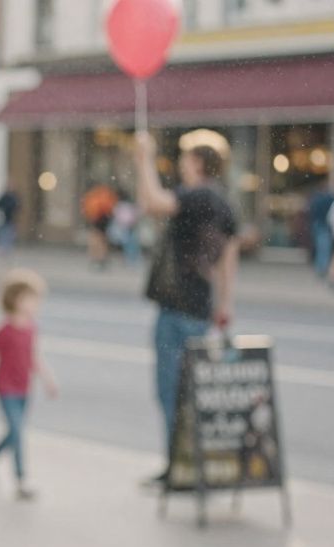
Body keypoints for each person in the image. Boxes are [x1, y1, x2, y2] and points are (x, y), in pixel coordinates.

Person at [133, 131, 239, 485]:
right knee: (193, 393)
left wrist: (143, 159)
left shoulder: (197, 196)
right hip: (199, 307)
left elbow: (152, 203)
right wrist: (225, 302)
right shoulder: (222, 201)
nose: (181, 165)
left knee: (171, 393)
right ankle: (192, 464)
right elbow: (229, 256)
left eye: (184, 159)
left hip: (177, 307)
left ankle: (178, 468)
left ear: (197, 162)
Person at [0, 269, 58, 499]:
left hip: (24, 389)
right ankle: (21, 480)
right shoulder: (5, 330)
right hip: (6, 389)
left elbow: (34, 357)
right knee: (18, 432)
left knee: (14, 432)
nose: (36, 304)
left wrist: (48, 380)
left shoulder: (31, 328)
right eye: (31, 299)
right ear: (17, 300)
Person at [81, 182, 118, 270]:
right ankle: (102, 258)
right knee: (102, 239)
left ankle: (97, 257)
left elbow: (88, 209)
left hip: (98, 220)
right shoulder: (106, 195)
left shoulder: (93, 196)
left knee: (97, 239)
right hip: (104, 219)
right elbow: (112, 208)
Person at [308, 183, 334, 280]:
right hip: (325, 225)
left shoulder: (316, 199)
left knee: (320, 246)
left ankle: (320, 266)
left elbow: (312, 211)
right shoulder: (330, 199)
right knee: (324, 247)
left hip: (317, 224)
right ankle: (322, 267)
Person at [0, 188, 19, 259]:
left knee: (8, 234)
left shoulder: (13, 197)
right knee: (4, 234)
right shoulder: (6, 197)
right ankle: (3, 249)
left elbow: (16, 206)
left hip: (9, 219)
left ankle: (6, 249)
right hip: (4, 219)